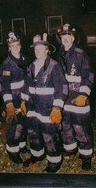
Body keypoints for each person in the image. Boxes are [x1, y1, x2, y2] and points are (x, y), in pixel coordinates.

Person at [24, 34, 67, 173]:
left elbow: (62, 88)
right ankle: (37, 155)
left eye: (40, 49)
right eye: (36, 49)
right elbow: (27, 86)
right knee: (34, 133)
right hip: (33, 108)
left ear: (47, 50)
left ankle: (54, 163)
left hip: (49, 109)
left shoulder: (54, 66)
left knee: (49, 136)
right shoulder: (31, 66)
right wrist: (24, 101)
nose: (37, 51)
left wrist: (57, 108)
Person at [58, 24, 96, 168]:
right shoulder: (59, 54)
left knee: (81, 128)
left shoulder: (81, 55)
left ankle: (86, 156)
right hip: (64, 98)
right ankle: (70, 149)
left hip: (79, 99)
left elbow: (89, 75)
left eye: (68, 37)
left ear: (73, 38)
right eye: (63, 37)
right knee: (66, 126)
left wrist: (83, 94)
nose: (65, 39)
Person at [0, 32, 30, 165]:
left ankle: (22, 147)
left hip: (23, 99)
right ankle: (12, 151)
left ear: (20, 46)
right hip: (12, 101)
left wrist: (25, 100)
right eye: (12, 45)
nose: (15, 47)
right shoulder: (6, 65)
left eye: (17, 45)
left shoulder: (25, 60)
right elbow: (3, 87)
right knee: (14, 127)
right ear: (9, 48)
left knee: (23, 125)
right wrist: (9, 105)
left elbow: (28, 81)